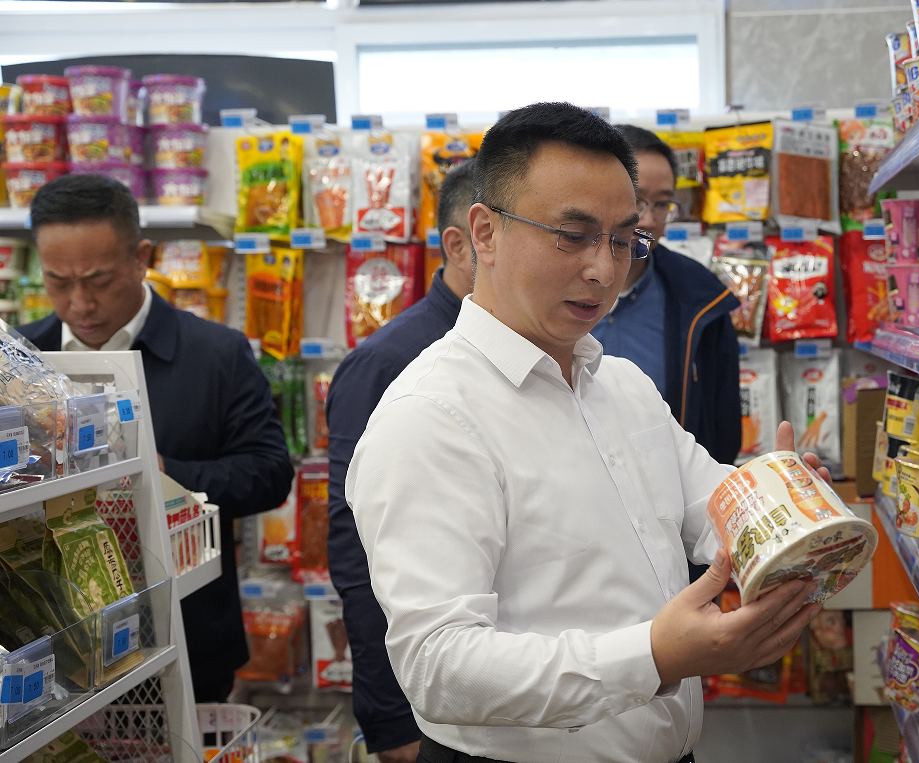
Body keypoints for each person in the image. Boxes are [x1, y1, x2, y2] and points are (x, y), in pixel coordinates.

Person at [348, 103, 826, 763]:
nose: (604, 269)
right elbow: (439, 665)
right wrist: (654, 656)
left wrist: (786, 509)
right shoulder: (429, 415)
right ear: (484, 233)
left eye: (624, 240)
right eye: (572, 236)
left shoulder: (623, 386)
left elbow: (712, 507)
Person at [19, 174, 294, 702]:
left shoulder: (216, 353)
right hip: (52, 649)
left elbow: (269, 473)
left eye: (99, 281)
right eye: (58, 281)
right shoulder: (21, 359)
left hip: (187, 636)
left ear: (142, 257)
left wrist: (164, 474)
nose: (79, 303)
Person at [326, 160, 476, 763]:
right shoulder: (388, 362)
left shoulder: (550, 353)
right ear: (462, 245)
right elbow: (356, 546)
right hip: (427, 703)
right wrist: (389, 718)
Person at [591, 124, 741, 466]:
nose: (648, 220)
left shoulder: (702, 299)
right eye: (636, 200)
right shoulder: (549, 289)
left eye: (661, 205)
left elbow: (723, 428)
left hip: (672, 489)